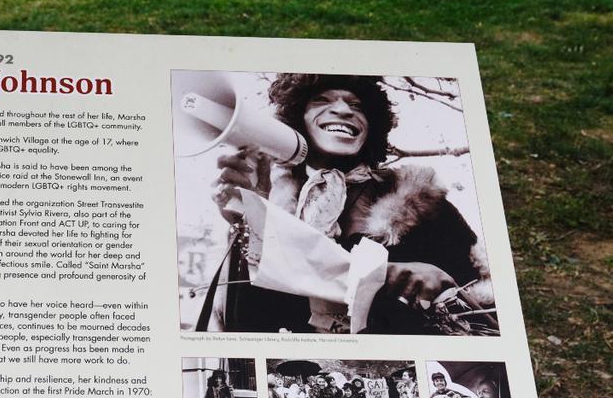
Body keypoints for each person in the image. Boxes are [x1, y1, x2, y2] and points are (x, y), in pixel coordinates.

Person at [207, 74, 491, 334]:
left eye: (357, 105)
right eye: (321, 100)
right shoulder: (269, 200)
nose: (343, 110)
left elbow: (483, 315)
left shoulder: (423, 203)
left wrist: (441, 284)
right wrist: (250, 218)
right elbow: (243, 324)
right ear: (296, 120)